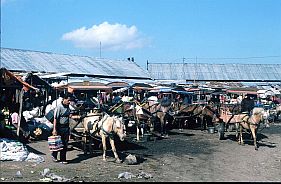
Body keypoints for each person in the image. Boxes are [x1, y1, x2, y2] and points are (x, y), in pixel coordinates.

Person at [51, 93, 73, 164]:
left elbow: (69, 115)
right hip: (59, 127)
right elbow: (55, 118)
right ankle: (54, 155)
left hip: (66, 127)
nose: (69, 102)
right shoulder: (59, 107)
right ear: (64, 99)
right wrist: (54, 129)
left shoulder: (68, 107)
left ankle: (63, 159)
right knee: (58, 143)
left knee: (65, 144)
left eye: (70, 100)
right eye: (68, 100)